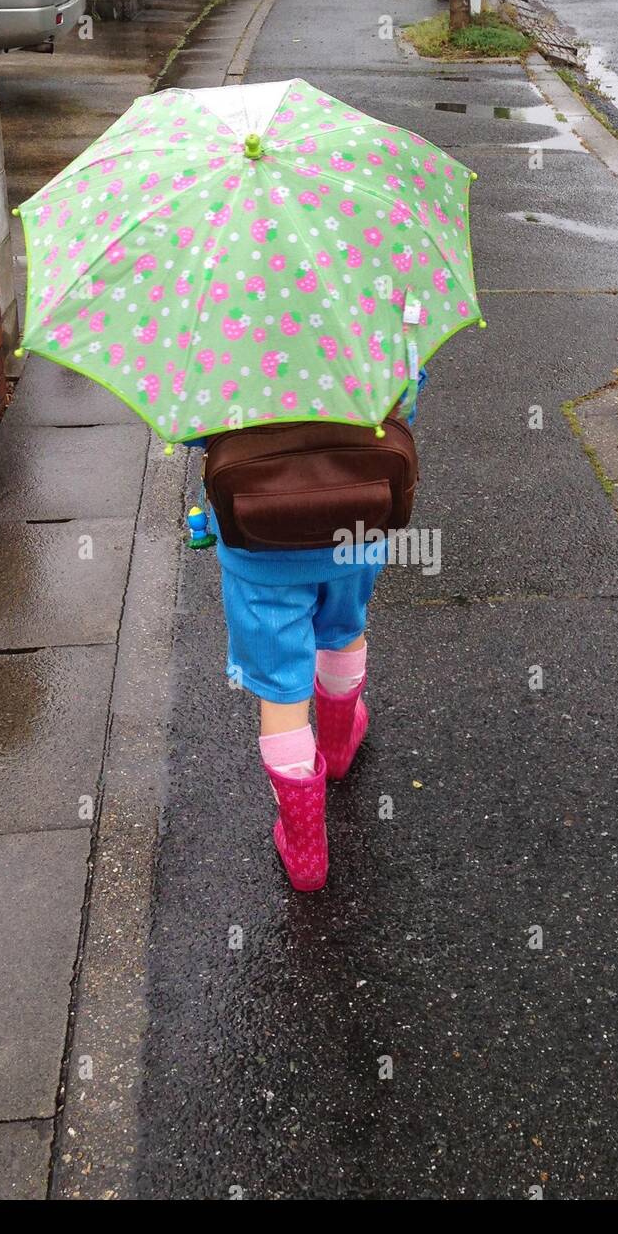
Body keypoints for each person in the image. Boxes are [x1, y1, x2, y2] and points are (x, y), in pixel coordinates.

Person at [187, 374, 424, 892]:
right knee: (343, 630)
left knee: (281, 690)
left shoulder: (218, 337)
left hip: (260, 551)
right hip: (355, 534)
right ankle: (340, 744)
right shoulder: (363, 310)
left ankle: (307, 851)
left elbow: (191, 426)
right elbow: (405, 399)